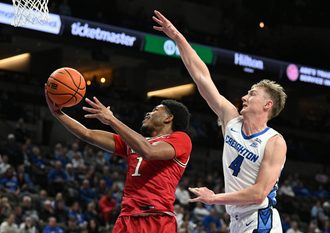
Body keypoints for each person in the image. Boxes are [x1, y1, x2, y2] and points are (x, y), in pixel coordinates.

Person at [153, 10, 287, 233]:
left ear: (267, 105)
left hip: (261, 221)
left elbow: (259, 192)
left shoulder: (274, 142)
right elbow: (201, 76)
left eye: (252, 94)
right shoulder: (231, 120)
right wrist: (178, 37)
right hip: (236, 221)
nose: (244, 97)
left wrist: (214, 198)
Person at [44, 87, 192, 233]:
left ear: (168, 118)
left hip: (157, 218)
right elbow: (88, 134)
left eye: (155, 110)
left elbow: (149, 151)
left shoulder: (181, 138)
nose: (148, 113)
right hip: (127, 218)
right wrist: (57, 113)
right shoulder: (135, 143)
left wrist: (112, 120)